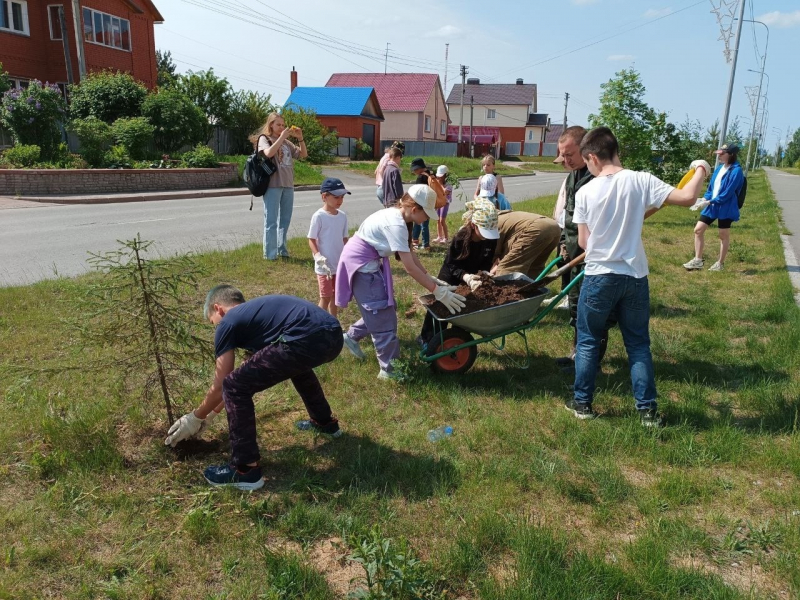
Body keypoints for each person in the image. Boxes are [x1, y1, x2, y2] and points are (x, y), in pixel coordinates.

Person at [566, 126, 710, 427]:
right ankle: (647, 412)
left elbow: (583, 243)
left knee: (589, 341)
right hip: (634, 276)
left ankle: (582, 403)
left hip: (598, 277)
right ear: (615, 150)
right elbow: (687, 197)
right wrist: (700, 168)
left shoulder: (585, 192)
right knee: (638, 344)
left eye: (586, 161)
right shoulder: (640, 180)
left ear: (592, 157)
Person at [164, 285, 344, 490]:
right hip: (333, 334)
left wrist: (195, 418)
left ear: (218, 308)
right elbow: (244, 377)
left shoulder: (229, 322)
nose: (216, 327)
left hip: (304, 338)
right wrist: (211, 414)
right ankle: (324, 423)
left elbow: (225, 383)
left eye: (212, 321)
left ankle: (245, 469)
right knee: (294, 368)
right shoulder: (259, 317)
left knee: (233, 385)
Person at [336, 185, 466, 380]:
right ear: (415, 209)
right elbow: (409, 268)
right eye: (427, 214)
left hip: (367, 263)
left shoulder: (399, 216)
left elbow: (409, 253)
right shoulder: (396, 224)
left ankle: (351, 337)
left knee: (383, 308)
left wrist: (428, 276)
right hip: (363, 268)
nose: (427, 219)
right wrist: (437, 291)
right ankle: (389, 371)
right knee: (382, 315)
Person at [556, 125, 614, 370]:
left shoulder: (599, 180)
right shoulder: (573, 176)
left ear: (585, 149)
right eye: (563, 154)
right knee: (575, 305)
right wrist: (562, 243)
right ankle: (577, 352)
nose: (565, 160)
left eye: (569, 154)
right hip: (572, 251)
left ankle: (590, 361)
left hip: (593, 256)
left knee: (590, 309)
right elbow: (567, 216)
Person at [419, 199, 499, 345]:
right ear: (474, 225)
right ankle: (428, 338)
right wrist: (465, 276)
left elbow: (487, 260)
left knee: (464, 309)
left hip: (473, 278)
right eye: (484, 231)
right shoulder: (461, 238)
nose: (486, 236)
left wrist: (485, 272)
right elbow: (451, 264)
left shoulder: (490, 239)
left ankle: (457, 338)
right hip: (451, 276)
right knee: (441, 308)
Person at [250, 113, 307, 260]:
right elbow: (268, 153)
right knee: (271, 220)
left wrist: (300, 137)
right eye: (278, 125)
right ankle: (270, 254)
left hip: (288, 184)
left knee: (285, 220)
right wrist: (282, 137)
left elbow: (303, 154)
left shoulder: (287, 143)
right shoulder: (265, 139)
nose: (282, 127)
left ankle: (282, 250)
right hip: (273, 185)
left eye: (283, 125)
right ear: (271, 125)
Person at [682, 142, 744, 272]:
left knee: (723, 235)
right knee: (698, 230)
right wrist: (704, 198)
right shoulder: (719, 169)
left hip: (725, 207)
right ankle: (698, 260)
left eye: (722, 154)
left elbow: (728, 192)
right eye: (719, 154)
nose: (719, 156)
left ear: (731, 155)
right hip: (712, 205)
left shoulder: (736, 171)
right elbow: (711, 188)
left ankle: (720, 264)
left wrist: (709, 202)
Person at [308, 178, 350, 317]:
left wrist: (349, 255)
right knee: (325, 297)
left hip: (338, 265)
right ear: (324, 197)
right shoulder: (318, 216)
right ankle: (318, 324)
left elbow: (344, 239)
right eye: (336, 197)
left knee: (335, 297)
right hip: (324, 266)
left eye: (342, 197)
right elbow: (312, 239)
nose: (340, 200)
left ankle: (333, 323)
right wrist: (317, 256)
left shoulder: (342, 216)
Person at [491, 210, 560, 280]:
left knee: (508, 269)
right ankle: (530, 289)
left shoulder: (490, 224)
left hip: (534, 229)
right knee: (533, 268)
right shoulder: (502, 216)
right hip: (553, 227)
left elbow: (492, 254)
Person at [410, 158, 433, 251]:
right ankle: (424, 243)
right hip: (430, 202)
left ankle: (421, 243)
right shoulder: (430, 174)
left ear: (419, 168)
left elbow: (417, 192)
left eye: (415, 169)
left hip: (421, 203)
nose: (414, 171)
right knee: (424, 223)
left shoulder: (421, 177)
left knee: (420, 223)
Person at [376, 141, 405, 205]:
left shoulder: (387, 165)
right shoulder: (394, 169)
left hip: (384, 192)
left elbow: (377, 170)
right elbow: (398, 188)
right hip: (386, 191)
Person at [434, 165, 453, 243]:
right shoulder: (438, 181)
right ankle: (439, 236)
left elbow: (445, 192)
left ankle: (446, 238)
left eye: (441, 176)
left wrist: (440, 184)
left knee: (442, 220)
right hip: (439, 202)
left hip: (445, 202)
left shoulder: (449, 183)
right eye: (439, 176)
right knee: (438, 219)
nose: (439, 178)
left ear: (446, 175)